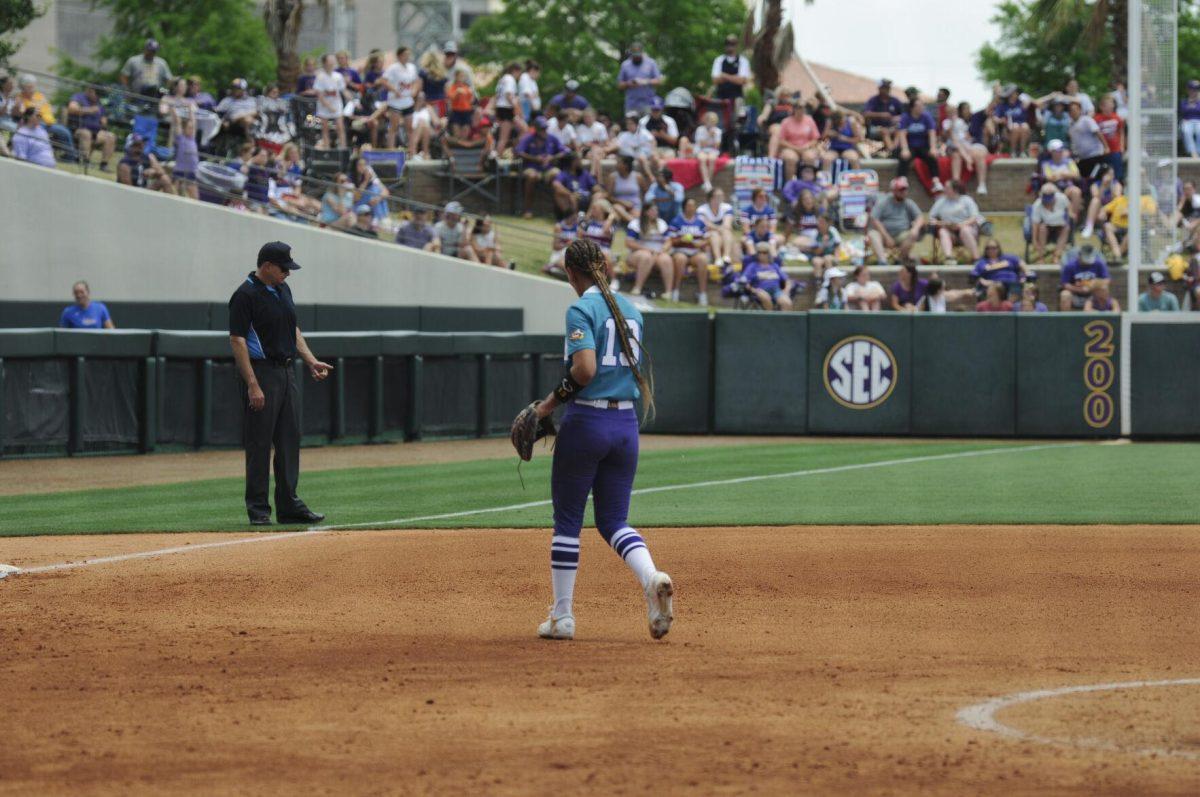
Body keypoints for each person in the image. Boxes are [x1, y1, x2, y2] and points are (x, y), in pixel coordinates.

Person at [516, 238, 672, 641]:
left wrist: (546, 407)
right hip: (625, 425)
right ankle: (651, 576)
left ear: (571, 272)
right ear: (604, 264)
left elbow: (584, 370)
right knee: (614, 521)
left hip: (587, 422)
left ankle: (562, 617)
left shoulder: (581, 307)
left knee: (568, 521)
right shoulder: (633, 309)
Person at [228, 242, 330, 526]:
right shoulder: (244, 295)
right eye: (284, 268)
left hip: (287, 373)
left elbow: (292, 329)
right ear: (268, 266)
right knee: (260, 443)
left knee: (289, 441)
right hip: (261, 373)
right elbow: (237, 340)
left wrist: (310, 360)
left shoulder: (283, 290)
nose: (288, 273)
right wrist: (252, 384)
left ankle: (289, 505)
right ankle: (259, 509)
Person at [516, 116, 566, 217]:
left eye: (545, 128)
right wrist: (534, 158)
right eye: (541, 128)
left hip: (548, 168)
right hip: (532, 167)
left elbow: (564, 151)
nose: (544, 131)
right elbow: (518, 152)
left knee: (557, 175)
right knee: (532, 176)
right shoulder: (528, 138)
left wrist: (552, 157)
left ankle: (558, 210)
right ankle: (527, 209)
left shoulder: (552, 138)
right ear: (536, 128)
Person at [867, 177, 925, 264]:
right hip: (884, 235)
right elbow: (874, 218)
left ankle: (900, 259)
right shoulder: (884, 202)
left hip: (901, 235)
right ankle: (883, 261)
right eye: (901, 190)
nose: (904, 192)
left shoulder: (908, 203)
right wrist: (886, 237)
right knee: (872, 234)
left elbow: (920, 217)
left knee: (913, 234)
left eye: (905, 189)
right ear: (894, 190)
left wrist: (915, 229)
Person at [928, 180, 985, 262]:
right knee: (942, 232)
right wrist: (941, 223)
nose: (944, 189)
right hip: (949, 230)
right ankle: (949, 258)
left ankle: (976, 258)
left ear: (955, 190)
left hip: (968, 229)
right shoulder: (941, 201)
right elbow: (931, 218)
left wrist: (961, 225)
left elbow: (974, 217)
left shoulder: (967, 200)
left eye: (947, 188)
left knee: (964, 230)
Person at [668, 198, 710, 306]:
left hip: (695, 252)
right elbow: (671, 240)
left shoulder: (700, 222)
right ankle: (675, 291)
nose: (691, 208)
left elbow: (706, 240)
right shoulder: (676, 221)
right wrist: (681, 240)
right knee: (681, 259)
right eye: (689, 206)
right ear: (684, 207)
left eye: (693, 206)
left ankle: (702, 294)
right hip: (680, 251)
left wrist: (700, 244)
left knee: (703, 259)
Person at [768, 95, 820, 180]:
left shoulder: (809, 120)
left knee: (810, 157)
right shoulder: (786, 122)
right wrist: (795, 148)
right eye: (799, 107)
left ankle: (808, 183)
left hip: (805, 147)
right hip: (790, 147)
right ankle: (790, 184)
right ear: (794, 109)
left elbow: (815, 138)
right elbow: (781, 140)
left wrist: (807, 146)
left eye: (803, 107)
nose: (801, 110)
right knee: (791, 158)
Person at [896, 98, 942, 192]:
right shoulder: (905, 117)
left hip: (923, 145)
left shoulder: (926, 116)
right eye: (919, 106)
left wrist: (933, 148)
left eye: (922, 105)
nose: (922, 108)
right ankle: (902, 179)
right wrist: (905, 149)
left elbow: (932, 133)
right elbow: (902, 134)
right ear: (912, 108)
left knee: (932, 157)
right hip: (910, 145)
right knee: (904, 157)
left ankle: (936, 181)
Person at [627, 204, 673, 297]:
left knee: (666, 259)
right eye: (652, 210)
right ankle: (637, 288)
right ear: (645, 212)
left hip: (658, 253)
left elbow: (668, 241)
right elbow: (629, 243)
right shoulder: (636, 223)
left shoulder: (661, 223)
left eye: (656, 210)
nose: (655, 212)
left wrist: (663, 249)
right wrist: (648, 250)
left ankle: (668, 292)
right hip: (638, 254)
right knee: (646, 256)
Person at [944, 101, 990, 194]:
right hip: (953, 145)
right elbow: (949, 135)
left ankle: (981, 184)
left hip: (965, 144)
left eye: (954, 112)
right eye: (950, 112)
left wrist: (967, 136)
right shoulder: (946, 122)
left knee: (975, 153)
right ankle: (956, 185)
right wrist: (952, 123)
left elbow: (965, 132)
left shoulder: (962, 121)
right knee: (957, 149)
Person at [66, 85, 116, 171]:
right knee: (86, 133)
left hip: (96, 131)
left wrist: (104, 121)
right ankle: (85, 162)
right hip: (79, 129)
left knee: (110, 136)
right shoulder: (78, 97)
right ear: (90, 91)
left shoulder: (99, 102)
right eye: (97, 94)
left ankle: (104, 165)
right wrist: (89, 110)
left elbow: (103, 119)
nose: (98, 97)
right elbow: (71, 108)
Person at [383, 47, 421, 150]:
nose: (407, 57)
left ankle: (412, 151)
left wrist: (414, 91)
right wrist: (395, 90)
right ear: (399, 56)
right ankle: (391, 149)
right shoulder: (393, 68)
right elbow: (384, 81)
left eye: (408, 55)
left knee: (410, 128)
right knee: (394, 127)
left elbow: (417, 81)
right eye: (405, 55)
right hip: (396, 102)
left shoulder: (411, 67)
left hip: (407, 101)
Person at [744, 242, 794, 311]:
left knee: (787, 302)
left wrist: (786, 290)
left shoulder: (774, 266)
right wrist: (753, 290)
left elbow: (787, 280)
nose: (761, 254)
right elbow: (744, 280)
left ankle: (784, 321)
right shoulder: (752, 266)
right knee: (765, 297)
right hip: (760, 290)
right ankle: (771, 318)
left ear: (769, 254)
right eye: (759, 252)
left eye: (764, 252)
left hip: (776, 290)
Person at [1059, 244, 1110, 311]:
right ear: (1079, 255)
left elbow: (1107, 280)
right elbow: (1065, 284)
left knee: (1104, 288)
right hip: (1075, 293)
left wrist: (1094, 284)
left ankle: (1103, 316)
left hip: (1093, 293)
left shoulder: (1099, 263)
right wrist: (1079, 289)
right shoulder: (1070, 265)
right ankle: (1065, 320)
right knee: (1065, 295)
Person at [1067, 100, 1109, 181]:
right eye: (1071, 110)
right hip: (1082, 158)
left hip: (1094, 155)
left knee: (1095, 178)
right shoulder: (1071, 125)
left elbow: (1098, 132)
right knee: (1085, 180)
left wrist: (1106, 147)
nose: (1074, 112)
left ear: (1080, 110)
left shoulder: (1086, 120)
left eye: (1076, 109)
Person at [617, 41, 662, 115]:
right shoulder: (625, 65)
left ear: (642, 53)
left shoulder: (651, 63)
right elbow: (619, 85)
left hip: (648, 103)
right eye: (634, 56)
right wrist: (629, 83)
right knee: (631, 125)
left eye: (638, 55)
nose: (636, 57)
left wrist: (645, 82)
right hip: (632, 104)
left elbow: (659, 81)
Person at [314, 53, 348, 149]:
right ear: (325, 63)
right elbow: (319, 95)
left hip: (337, 105)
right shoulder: (320, 77)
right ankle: (327, 148)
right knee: (325, 128)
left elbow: (343, 90)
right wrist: (328, 106)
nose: (333, 63)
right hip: (324, 107)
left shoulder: (338, 76)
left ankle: (342, 147)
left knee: (340, 127)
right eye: (330, 61)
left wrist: (352, 99)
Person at [1031, 183, 1072, 262]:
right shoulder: (1037, 205)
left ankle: (1056, 255)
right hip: (1046, 228)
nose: (1047, 202)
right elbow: (1035, 224)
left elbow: (1069, 209)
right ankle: (1041, 257)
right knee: (1042, 228)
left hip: (1060, 227)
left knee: (1066, 228)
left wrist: (1070, 216)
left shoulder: (1062, 198)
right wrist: (1034, 240)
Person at [697, 187, 736, 267]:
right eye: (718, 195)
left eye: (722, 195)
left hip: (723, 233)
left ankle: (726, 256)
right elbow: (706, 224)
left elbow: (727, 224)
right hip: (708, 235)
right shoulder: (702, 209)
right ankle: (718, 259)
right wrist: (718, 228)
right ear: (711, 197)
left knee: (727, 232)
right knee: (714, 234)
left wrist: (718, 228)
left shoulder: (727, 207)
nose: (721, 198)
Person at [863, 79, 903, 151]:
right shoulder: (873, 100)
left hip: (891, 127)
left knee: (899, 130)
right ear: (879, 88)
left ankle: (894, 150)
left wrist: (897, 118)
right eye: (884, 87)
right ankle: (892, 151)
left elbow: (905, 115)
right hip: (875, 128)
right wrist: (881, 115)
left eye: (888, 87)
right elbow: (865, 114)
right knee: (884, 131)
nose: (887, 89)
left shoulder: (895, 101)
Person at [492, 61, 522, 158]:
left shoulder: (503, 79)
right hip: (506, 109)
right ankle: (496, 158)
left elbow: (497, 96)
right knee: (503, 138)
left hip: (501, 108)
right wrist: (516, 108)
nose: (519, 76)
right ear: (515, 71)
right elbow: (509, 95)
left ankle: (513, 148)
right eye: (519, 73)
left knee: (522, 128)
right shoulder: (510, 79)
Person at [605, 155, 646, 223]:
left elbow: (645, 192)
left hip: (635, 205)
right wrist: (623, 203)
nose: (616, 165)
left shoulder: (638, 177)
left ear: (625, 165)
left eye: (619, 163)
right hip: (619, 205)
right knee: (617, 208)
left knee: (637, 214)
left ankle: (634, 224)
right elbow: (608, 196)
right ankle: (634, 224)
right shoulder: (613, 177)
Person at [691, 111, 723, 194]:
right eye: (709, 120)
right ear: (705, 121)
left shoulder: (718, 131)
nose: (711, 123)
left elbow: (716, 146)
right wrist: (709, 135)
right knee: (702, 159)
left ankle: (707, 182)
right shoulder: (700, 129)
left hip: (712, 150)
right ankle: (707, 183)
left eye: (713, 121)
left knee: (712, 159)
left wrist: (712, 138)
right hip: (701, 150)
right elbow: (701, 145)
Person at [1180, 79, 1200, 157]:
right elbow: (1184, 111)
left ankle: (1198, 152)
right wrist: (1190, 103)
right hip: (1187, 121)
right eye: (1192, 89)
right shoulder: (1184, 101)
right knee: (1186, 131)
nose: (1194, 91)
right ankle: (1193, 152)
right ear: (1188, 90)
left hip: (1199, 121)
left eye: (1196, 89)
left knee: (1199, 131)